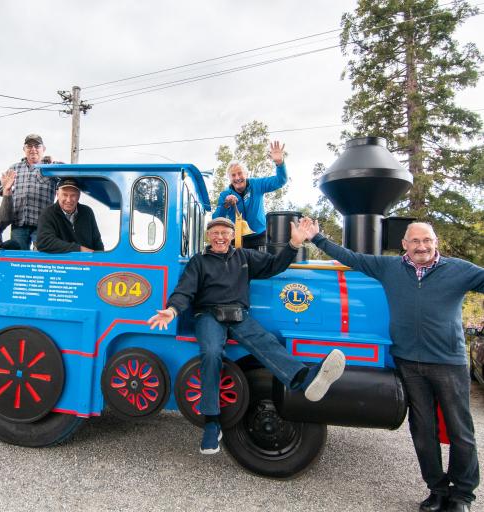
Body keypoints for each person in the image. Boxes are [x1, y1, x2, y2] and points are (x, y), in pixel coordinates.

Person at [305, 219, 483, 512]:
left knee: (460, 430)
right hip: (409, 362)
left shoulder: (460, 270)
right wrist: (317, 238)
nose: (421, 246)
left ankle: (462, 495)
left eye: (426, 240)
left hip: (448, 361)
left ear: (435, 242)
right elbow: (353, 258)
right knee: (422, 430)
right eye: (415, 241)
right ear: (405, 245)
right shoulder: (390, 267)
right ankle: (437, 489)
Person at [147, 217, 345, 455]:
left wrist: (293, 244)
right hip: (208, 316)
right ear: (208, 236)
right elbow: (184, 290)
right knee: (211, 353)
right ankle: (211, 422)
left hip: (239, 315)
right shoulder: (198, 262)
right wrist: (172, 310)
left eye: (225, 233)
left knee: (265, 341)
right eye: (215, 232)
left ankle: (304, 378)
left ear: (232, 236)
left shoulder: (244, 257)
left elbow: (274, 265)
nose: (220, 237)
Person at [212, 140, 288, 247]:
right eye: (233, 175)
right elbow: (216, 219)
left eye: (240, 173)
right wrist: (226, 204)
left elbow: (281, 180)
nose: (237, 178)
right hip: (236, 238)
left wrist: (279, 163)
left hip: (260, 237)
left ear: (246, 174)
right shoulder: (225, 195)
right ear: (229, 178)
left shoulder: (258, 184)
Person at [0, 134, 59, 250]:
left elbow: (65, 174)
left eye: (37, 146)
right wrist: (6, 190)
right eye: (29, 146)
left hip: (43, 224)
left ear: (43, 149)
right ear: (24, 149)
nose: (33, 149)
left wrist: (50, 163)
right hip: (19, 223)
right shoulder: (14, 168)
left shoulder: (51, 167)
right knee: (17, 257)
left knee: (42, 256)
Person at [36, 178, 104, 253]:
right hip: (61, 264)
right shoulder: (47, 213)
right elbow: (44, 242)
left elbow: (97, 242)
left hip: (87, 262)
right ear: (57, 195)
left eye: (73, 195)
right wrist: (79, 249)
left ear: (78, 196)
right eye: (65, 195)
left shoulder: (88, 212)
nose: (69, 200)